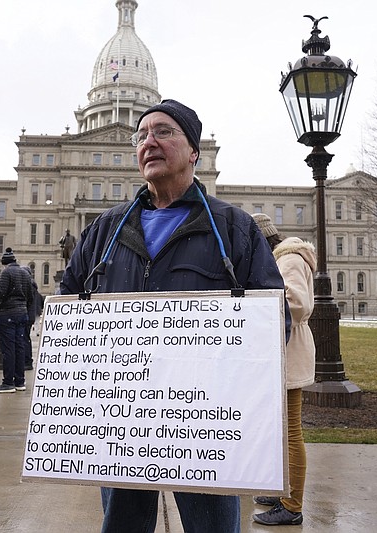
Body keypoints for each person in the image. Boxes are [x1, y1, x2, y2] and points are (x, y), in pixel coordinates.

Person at [59, 99, 290, 533]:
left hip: (203, 425)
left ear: (194, 152)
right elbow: (68, 308)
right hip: (121, 420)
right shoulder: (103, 231)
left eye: (163, 132)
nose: (149, 142)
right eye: (141, 135)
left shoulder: (234, 229)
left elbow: (274, 323)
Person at [251, 212, 316, 526]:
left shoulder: (288, 260)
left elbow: (298, 304)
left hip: (289, 349)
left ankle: (292, 506)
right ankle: (282, 491)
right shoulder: (283, 259)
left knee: (290, 430)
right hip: (281, 348)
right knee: (279, 428)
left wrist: (254, 308)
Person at [0, 248, 34, 393]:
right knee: (19, 348)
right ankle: (19, 380)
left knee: (8, 349)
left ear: (5, 263)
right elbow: (30, 296)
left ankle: (8, 382)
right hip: (22, 313)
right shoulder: (25, 273)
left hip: (8, 313)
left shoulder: (6, 273)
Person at [21, 266, 43, 370]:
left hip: (26, 314)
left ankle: (27, 361)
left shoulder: (27, 285)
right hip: (30, 314)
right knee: (26, 338)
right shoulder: (33, 286)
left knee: (24, 338)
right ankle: (27, 360)